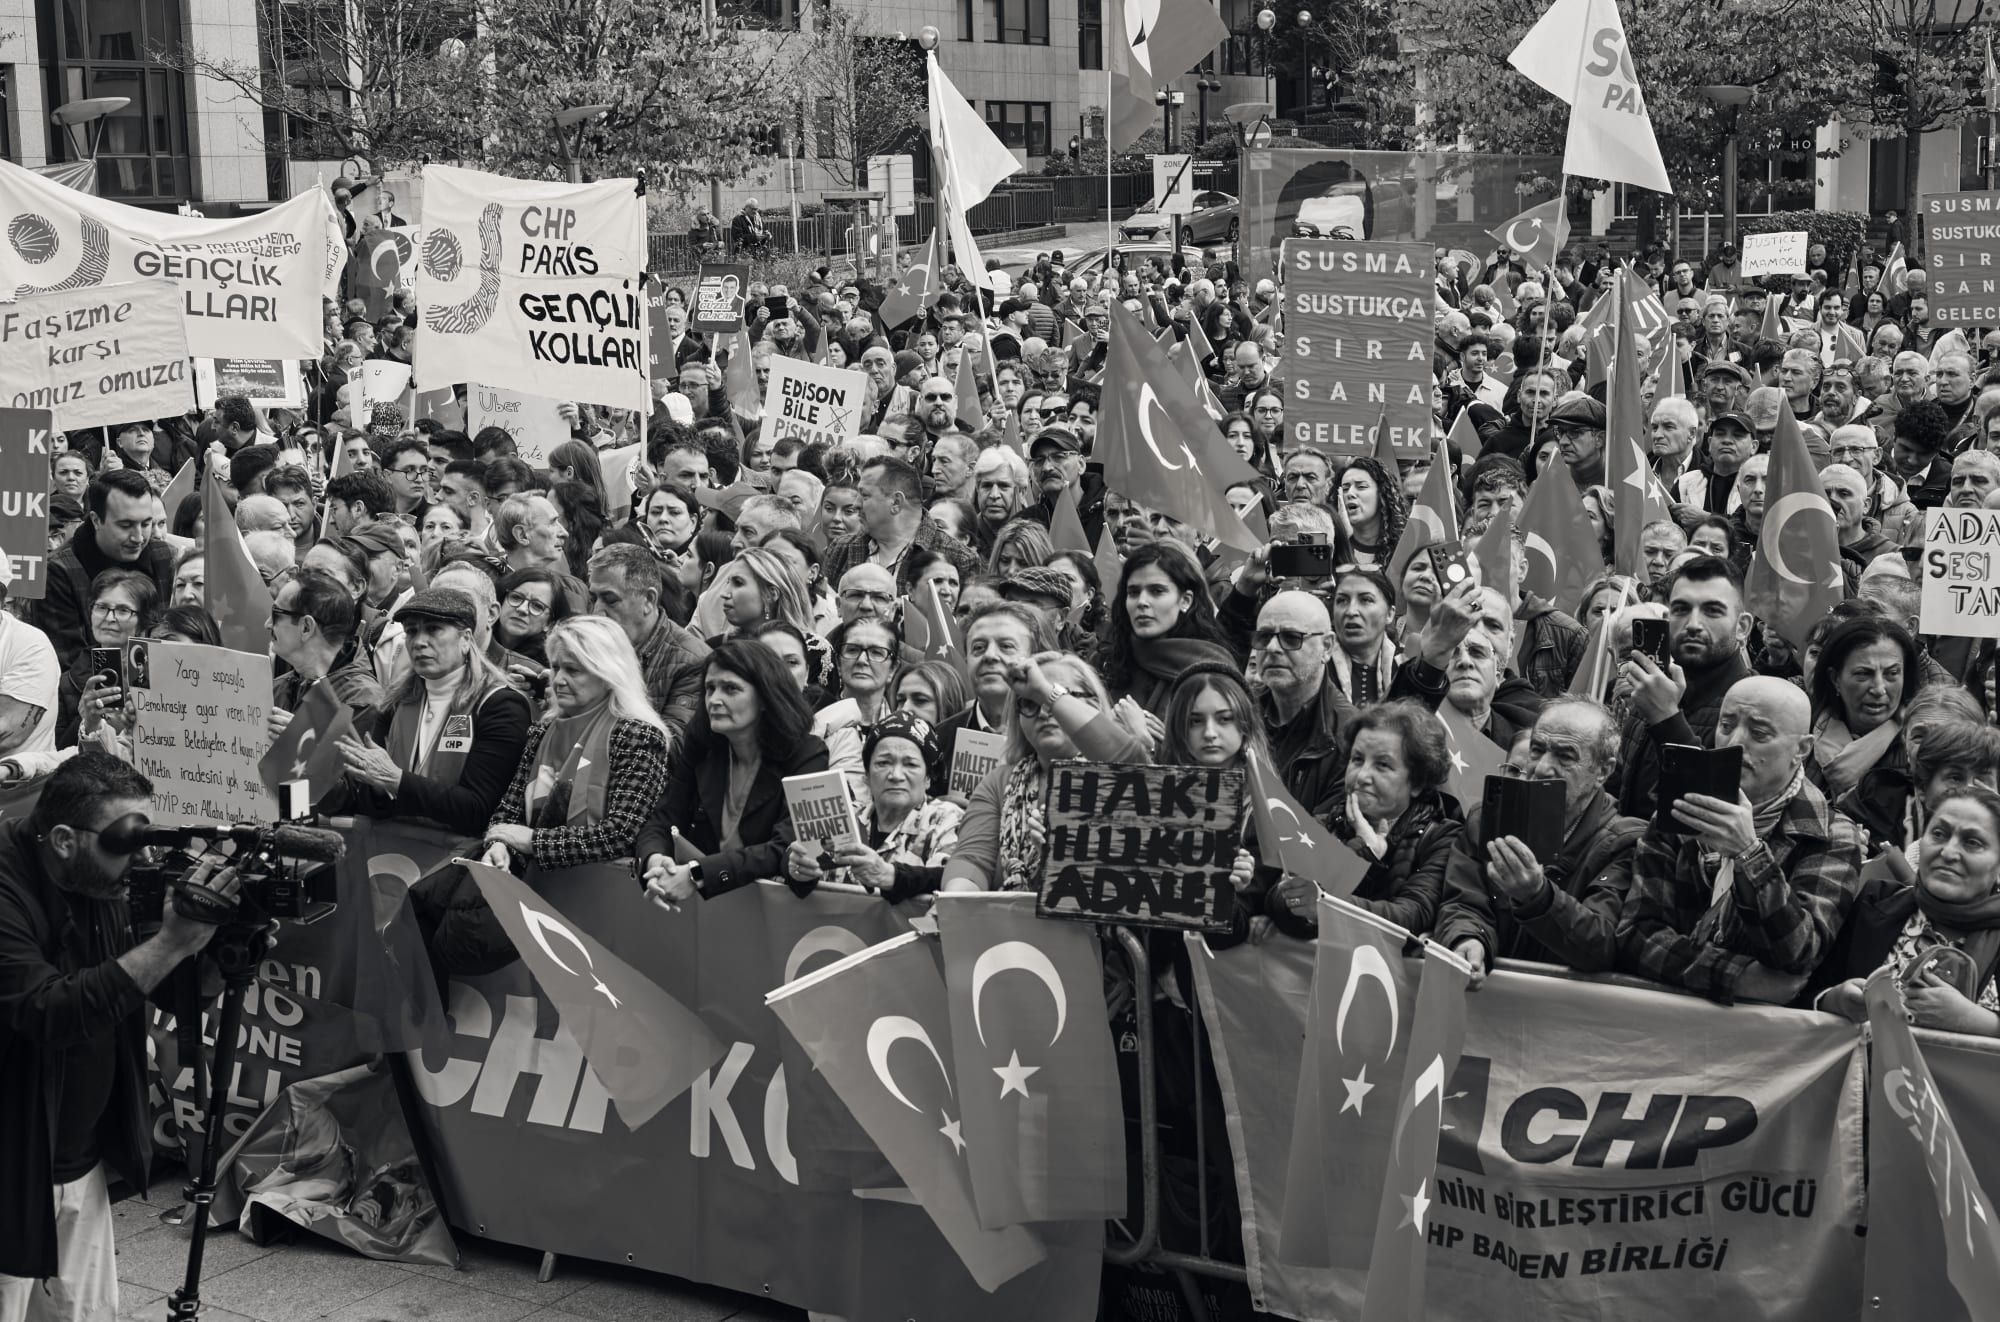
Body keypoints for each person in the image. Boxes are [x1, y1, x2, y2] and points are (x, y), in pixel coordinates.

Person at [0, 755, 238, 1316]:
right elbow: (46, 1010)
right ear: (62, 838)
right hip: (11, 1164)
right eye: (123, 840)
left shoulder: (99, 878)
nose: (139, 856)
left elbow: (150, 988)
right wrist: (170, 944)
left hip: (75, 1158)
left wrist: (209, 953)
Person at [413, 617, 672, 979]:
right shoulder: (543, 729)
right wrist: (500, 842)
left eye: (574, 670)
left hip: (601, 913)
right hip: (537, 903)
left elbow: (621, 834)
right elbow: (510, 808)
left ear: (608, 672)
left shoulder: (638, 735)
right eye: (555, 667)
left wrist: (533, 841)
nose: (559, 679)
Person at [1617, 676, 1867, 1004]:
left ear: (1801, 750)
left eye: (1759, 733)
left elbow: (1797, 952)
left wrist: (1748, 853)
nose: (1735, 742)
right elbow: (1635, 935)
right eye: (1726, 725)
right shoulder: (1682, 808)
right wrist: (1738, 978)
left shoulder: (1833, 835)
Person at [1436, 698, 1647, 985]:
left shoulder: (1625, 842)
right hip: (1485, 1011)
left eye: (1565, 756)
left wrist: (1538, 897)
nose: (1543, 768)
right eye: (1537, 750)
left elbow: (1602, 946)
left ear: (1603, 771)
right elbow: (1464, 901)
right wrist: (1469, 940)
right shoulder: (1485, 820)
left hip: (1560, 1021)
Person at [322, 587, 533, 835]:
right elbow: (367, 802)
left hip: (457, 861)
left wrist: (396, 780)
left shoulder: (500, 704)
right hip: (394, 857)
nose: (420, 642)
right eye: (411, 631)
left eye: (433, 629)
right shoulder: (396, 701)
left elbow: (479, 810)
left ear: (466, 639)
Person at [938, 652, 1151, 892]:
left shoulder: (1115, 776)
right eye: (1030, 702)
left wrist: (1046, 692)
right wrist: (958, 898)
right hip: (1012, 924)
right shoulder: (1000, 782)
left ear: (1093, 704)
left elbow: (1132, 768)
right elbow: (971, 859)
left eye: (1058, 697)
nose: (1043, 712)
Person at [639, 641, 830, 904]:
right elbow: (663, 819)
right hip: (703, 913)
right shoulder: (702, 743)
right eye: (710, 688)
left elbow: (784, 847)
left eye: (730, 689)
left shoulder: (808, 754)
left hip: (769, 916)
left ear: (765, 697)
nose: (714, 700)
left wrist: (698, 875)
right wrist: (656, 860)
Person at [1267, 700, 1466, 937]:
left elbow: (1411, 915)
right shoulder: (1323, 823)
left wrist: (1326, 905)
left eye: (1382, 765)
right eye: (1357, 759)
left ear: (1417, 782)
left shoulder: (1442, 837)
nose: (1361, 776)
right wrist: (1362, 851)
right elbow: (1279, 900)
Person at [1814, 785, 2000, 1030]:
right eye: (1939, 834)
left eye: (1972, 842)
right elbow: (1804, 995)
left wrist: (1977, 1022)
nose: (1948, 852)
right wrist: (1834, 1000)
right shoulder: (1875, 902)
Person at [1612, 555, 1756, 817]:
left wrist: (1666, 719)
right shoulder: (1648, 690)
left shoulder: (1754, 707)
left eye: (1712, 611)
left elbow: (1717, 815)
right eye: (1681, 609)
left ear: (1743, 626)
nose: (1693, 625)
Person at [782, 712, 963, 901]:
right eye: (884, 763)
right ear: (866, 776)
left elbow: (951, 878)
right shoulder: (844, 814)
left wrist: (891, 876)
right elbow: (798, 860)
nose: (896, 775)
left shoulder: (947, 819)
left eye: (910, 764)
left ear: (927, 779)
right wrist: (797, 871)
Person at [35, 470, 175, 675]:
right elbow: (69, 667)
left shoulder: (165, 556)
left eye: (146, 524)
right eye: (126, 525)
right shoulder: (58, 572)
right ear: (96, 520)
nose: (138, 537)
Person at [1100, 542, 1239, 730]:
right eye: (1133, 592)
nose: (1142, 602)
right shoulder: (1105, 661)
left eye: (1157, 591)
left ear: (1185, 600)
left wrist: (1149, 744)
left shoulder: (1214, 669)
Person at [587, 544, 709, 739]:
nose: (597, 612)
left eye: (610, 600)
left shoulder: (692, 661)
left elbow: (672, 746)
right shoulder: (591, 644)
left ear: (649, 600)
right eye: (593, 598)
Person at [1807, 616, 1923, 800]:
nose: (1879, 689)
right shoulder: (1802, 738)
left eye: (1892, 674)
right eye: (1863, 674)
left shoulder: (1920, 750)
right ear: (1835, 679)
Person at [267, 568, 385, 725]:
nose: (267, 624)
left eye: (276, 614)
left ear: (306, 628)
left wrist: (298, 740)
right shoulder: (278, 688)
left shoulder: (362, 704)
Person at [61, 569, 156, 750]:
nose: (109, 618)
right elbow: (59, 751)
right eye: (102, 607)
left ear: (144, 620)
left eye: (123, 610)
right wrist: (87, 719)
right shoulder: (69, 681)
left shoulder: (157, 672)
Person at [494, 567, 572, 667]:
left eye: (537, 606)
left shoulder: (551, 664)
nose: (522, 609)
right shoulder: (476, 635)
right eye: (516, 597)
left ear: (549, 624)